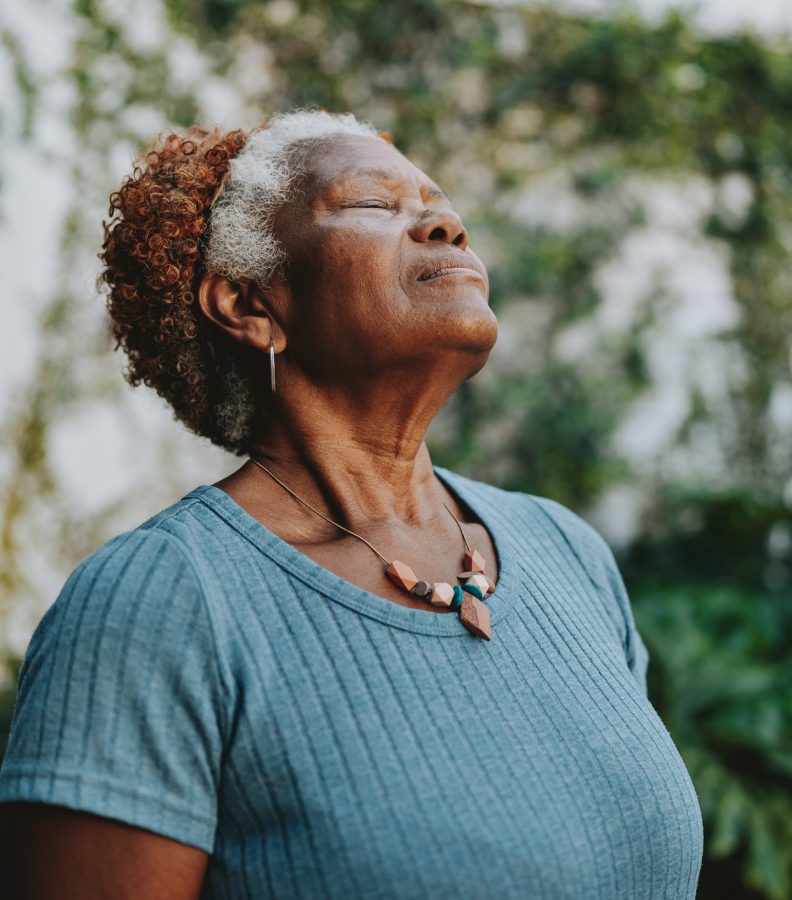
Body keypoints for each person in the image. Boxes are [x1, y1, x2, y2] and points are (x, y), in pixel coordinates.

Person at [0, 108, 703, 898]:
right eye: (374, 203)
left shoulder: (563, 549)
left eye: (440, 203)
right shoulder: (159, 604)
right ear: (249, 305)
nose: (444, 223)